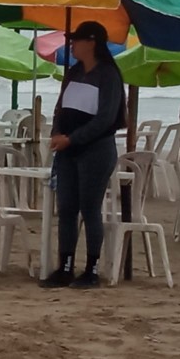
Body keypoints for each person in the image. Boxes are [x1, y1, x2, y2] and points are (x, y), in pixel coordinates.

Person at [41, 21, 126, 289]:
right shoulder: (73, 73)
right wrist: (57, 133)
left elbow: (106, 118)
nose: (72, 44)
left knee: (90, 208)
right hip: (67, 151)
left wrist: (73, 138)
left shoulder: (108, 76)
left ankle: (91, 268)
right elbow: (60, 108)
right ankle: (64, 266)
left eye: (77, 40)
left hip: (96, 150)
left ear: (91, 43)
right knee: (66, 208)